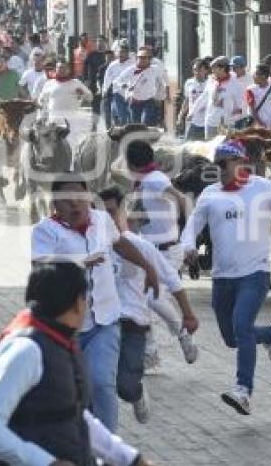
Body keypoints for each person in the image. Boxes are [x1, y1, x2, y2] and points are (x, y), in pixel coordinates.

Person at [0, 261, 158, 466]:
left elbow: (75, 417)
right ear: (79, 303)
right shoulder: (25, 350)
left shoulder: (62, 344)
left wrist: (130, 459)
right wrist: (46, 463)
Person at [180, 140, 271, 415]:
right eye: (217, 164)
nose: (220, 169)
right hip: (222, 278)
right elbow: (192, 225)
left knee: (242, 325)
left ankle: (243, 391)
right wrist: (188, 248)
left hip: (255, 274)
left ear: (241, 163)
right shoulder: (210, 194)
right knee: (232, 338)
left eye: (224, 163)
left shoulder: (263, 188)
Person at [31, 178, 160, 433]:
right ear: (55, 204)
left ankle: (110, 450)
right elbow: (40, 263)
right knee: (77, 392)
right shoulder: (45, 230)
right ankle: (86, 445)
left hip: (105, 320)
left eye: (80, 198)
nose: (75, 205)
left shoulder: (102, 220)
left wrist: (148, 267)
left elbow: (120, 244)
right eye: (67, 201)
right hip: (67, 328)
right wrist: (79, 261)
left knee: (101, 383)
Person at [98, 187, 199, 423]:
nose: (108, 219)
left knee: (126, 385)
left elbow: (171, 280)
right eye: (101, 213)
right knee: (98, 380)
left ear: (123, 212)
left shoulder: (140, 246)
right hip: (102, 324)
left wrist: (188, 315)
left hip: (134, 323)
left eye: (112, 212)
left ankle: (136, 392)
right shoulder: (91, 245)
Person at [125, 140, 196, 369]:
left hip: (167, 251)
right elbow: (141, 219)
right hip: (148, 250)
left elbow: (182, 199)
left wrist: (189, 237)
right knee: (142, 300)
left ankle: (181, 334)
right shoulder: (143, 182)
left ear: (131, 162)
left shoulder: (155, 180)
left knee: (150, 298)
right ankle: (150, 352)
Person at [114, 47, 161, 126]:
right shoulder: (131, 70)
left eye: (145, 58)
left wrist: (159, 96)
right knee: (136, 124)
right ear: (137, 58)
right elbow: (116, 81)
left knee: (145, 121)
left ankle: (145, 137)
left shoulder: (155, 69)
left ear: (149, 59)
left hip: (148, 100)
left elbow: (161, 81)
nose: (143, 60)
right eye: (140, 58)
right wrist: (123, 85)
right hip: (135, 101)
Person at [203, 56, 242, 139]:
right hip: (211, 122)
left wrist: (230, 119)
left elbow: (239, 106)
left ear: (222, 68)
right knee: (210, 149)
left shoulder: (235, 84)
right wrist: (192, 112)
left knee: (225, 150)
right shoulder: (211, 81)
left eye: (214, 68)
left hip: (227, 125)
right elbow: (203, 98)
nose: (212, 71)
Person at [244, 64, 271, 130]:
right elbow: (252, 110)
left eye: (255, 74)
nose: (253, 76)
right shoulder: (250, 89)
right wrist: (260, 124)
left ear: (263, 76)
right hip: (255, 126)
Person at [103, 40, 134, 127]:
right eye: (119, 52)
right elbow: (107, 78)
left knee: (131, 115)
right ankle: (122, 132)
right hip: (117, 93)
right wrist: (105, 90)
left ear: (127, 53)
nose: (121, 54)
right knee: (122, 115)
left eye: (124, 52)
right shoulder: (113, 65)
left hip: (130, 94)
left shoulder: (133, 63)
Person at [177, 58, 209, 141]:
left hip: (206, 122)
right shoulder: (189, 83)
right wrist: (180, 116)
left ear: (206, 71)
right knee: (188, 145)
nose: (197, 73)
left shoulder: (210, 84)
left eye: (200, 70)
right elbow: (187, 100)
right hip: (192, 121)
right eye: (195, 70)